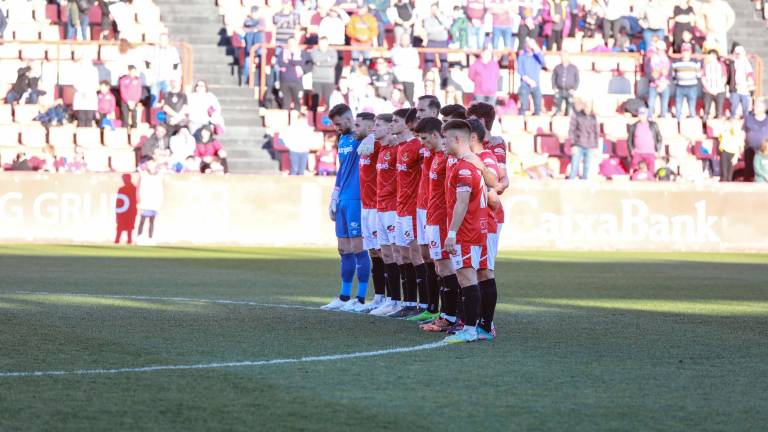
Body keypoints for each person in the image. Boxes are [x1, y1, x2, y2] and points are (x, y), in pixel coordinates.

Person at [442, 119, 490, 343]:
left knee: (467, 277)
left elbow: (461, 202)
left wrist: (451, 233)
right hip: (472, 229)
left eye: (446, 138)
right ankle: (472, 327)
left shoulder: (464, 168)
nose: (444, 143)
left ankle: (471, 329)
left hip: (467, 231)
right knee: (466, 277)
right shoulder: (468, 164)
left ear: (457, 139)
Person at [414, 117, 463, 333]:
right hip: (432, 217)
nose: (422, 143)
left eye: (425, 139)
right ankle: (447, 315)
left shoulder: (448, 158)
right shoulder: (433, 156)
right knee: (439, 267)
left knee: (446, 267)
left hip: (442, 218)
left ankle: (451, 316)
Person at [321, 104, 370, 311]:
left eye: (340, 124)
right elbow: (342, 170)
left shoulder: (362, 137)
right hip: (343, 199)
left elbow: (375, 130)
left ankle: (360, 299)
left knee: (358, 248)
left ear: (350, 119)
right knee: (343, 249)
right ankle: (343, 296)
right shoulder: (342, 139)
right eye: (335, 125)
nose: (337, 128)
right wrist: (334, 196)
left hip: (357, 199)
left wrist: (371, 137)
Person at [385, 108, 424, 318]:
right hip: (399, 209)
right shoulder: (401, 147)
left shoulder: (418, 146)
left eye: (395, 120)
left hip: (411, 208)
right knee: (401, 254)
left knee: (416, 254)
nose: (392, 124)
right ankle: (408, 303)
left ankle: (425, 304)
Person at [369, 113, 404, 316]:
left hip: (393, 207)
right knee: (385, 254)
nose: (374, 129)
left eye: (378, 125)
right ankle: (390, 299)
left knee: (398, 254)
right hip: (380, 208)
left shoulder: (397, 150)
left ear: (389, 128)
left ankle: (400, 300)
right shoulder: (381, 149)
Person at [354, 112, 385, 312]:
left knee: (384, 252)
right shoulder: (366, 143)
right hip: (366, 205)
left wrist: (373, 137)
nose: (355, 129)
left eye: (359, 125)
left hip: (377, 206)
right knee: (373, 252)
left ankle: (389, 297)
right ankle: (380, 296)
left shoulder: (377, 144)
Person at [143, 33, 181, 108]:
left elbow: (176, 64)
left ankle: (168, 117)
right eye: (161, 40)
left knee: (169, 99)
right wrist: (149, 73)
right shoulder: (153, 50)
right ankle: (153, 117)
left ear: (167, 41)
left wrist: (174, 75)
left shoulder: (172, 50)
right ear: (159, 40)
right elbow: (147, 62)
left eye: (165, 40)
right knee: (154, 99)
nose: (163, 41)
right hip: (155, 79)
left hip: (167, 79)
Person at [568, 98, 600, 180]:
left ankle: (584, 186)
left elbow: (596, 133)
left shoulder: (594, 118)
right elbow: (571, 131)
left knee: (587, 167)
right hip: (578, 145)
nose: (587, 108)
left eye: (589, 107)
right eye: (586, 106)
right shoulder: (577, 116)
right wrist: (573, 144)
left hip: (590, 146)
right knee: (574, 167)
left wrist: (596, 147)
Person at [136, 157, 164, 246]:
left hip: (154, 200)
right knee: (142, 219)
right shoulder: (143, 173)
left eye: (152, 163)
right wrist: (139, 199)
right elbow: (139, 169)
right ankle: (139, 237)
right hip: (145, 200)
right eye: (149, 163)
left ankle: (150, 237)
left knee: (152, 220)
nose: (150, 165)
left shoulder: (159, 174)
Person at [277, 37, 309, 112]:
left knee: (297, 102)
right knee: (285, 103)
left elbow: (301, 62)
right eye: (289, 43)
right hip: (285, 81)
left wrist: (289, 61)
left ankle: (295, 120)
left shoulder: (301, 53)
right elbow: (281, 63)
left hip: (297, 81)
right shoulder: (282, 52)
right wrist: (294, 62)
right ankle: (285, 121)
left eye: (293, 43)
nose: (291, 45)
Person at [628, 106, 663, 174]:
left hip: (650, 152)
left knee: (651, 171)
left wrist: (657, 150)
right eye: (640, 114)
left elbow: (659, 138)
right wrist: (632, 150)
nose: (642, 116)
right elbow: (630, 140)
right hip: (637, 153)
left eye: (643, 114)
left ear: (646, 115)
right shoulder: (634, 126)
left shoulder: (653, 125)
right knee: (634, 170)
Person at [420, 3, 451, 79]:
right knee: (429, 62)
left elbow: (448, 26)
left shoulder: (444, 18)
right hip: (431, 42)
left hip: (442, 42)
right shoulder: (427, 19)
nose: (433, 11)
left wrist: (439, 17)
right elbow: (428, 30)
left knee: (444, 63)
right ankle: (426, 79)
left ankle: (444, 81)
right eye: (432, 9)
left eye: (435, 9)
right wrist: (441, 29)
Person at [671, 44, 700, 120]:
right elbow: (673, 75)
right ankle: (678, 121)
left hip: (692, 87)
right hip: (680, 86)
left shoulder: (695, 63)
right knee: (678, 105)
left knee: (692, 105)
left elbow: (698, 75)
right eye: (684, 51)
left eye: (687, 51)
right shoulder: (676, 63)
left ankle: (692, 119)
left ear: (690, 52)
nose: (686, 53)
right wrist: (676, 82)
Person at [517, 39, 545, 116]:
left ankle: (536, 122)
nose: (528, 47)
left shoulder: (537, 56)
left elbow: (543, 62)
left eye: (530, 45)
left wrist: (535, 46)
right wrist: (529, 81)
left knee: (538, 106)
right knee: (524, 106)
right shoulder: (522, 56)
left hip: (536, 85)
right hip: (525, 84)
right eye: (527, 45)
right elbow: (520, 71)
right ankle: (521, 122)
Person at [742, 98, 768, 181]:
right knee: (749, 172)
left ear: (764, 108)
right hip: (750, 149)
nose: (754, 108)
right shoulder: (748, 118)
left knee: (763, 171)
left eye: (757, 106)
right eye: (754, 106)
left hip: (765, 151)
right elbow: (743, 132)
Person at [310, 37, 338, 111]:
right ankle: (313, 118)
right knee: (316, 101)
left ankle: (329, 119)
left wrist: (320, 63)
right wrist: (327, 60)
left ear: (327, 43)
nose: (322, 44)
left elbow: (333, 62)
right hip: (316, 79)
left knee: (328, 100)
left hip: (329, 80)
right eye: (321, 43)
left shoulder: (333, 52)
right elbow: (315, 60)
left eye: (324, 43)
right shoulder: (314, 51)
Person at [391, 34, 420, 105]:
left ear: (409, 40)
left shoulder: (413, 51)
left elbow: (416, 63)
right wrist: (407, 61)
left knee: (409, 100)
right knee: (397, 100)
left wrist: (403, 62)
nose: (404, 41)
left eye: (406, 39)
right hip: (398, 78)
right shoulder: (394, 50)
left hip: (409, 78)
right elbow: (396, 61)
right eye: (403, 39)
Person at [281, 111, 314, 175]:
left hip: (304, 151)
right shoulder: (292, 128)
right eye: (301, 119)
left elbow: (310, 139)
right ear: (298, 119)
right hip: (294, 151)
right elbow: (284, 137)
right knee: (294, 169)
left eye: (304, 119)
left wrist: (308, 147)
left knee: (302, 170)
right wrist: (289, 146)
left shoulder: (308, 129)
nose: (303, 121)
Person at [728, 45, 754, 120]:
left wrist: (749, 82)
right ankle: (733, 121)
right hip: (735, 88)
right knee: (734, 106)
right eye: (736, 53)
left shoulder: (746, 63)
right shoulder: (732, 63)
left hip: (745, 88)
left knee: (745, 107)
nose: (737, 55)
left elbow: (750, 74)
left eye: (739, 53)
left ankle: (746, 122)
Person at [646, 41, 671, 118]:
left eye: (662, 49)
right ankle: (649, 118)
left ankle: (663, 117)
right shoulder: (651, 60)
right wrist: (657, 82)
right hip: (654, 85)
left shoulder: (667, 60)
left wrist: (665, 82)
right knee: (651, 103)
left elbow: (670, 73)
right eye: (659, 49)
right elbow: (649, 73)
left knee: (664, 104)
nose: (661, 51)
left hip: (665, 85)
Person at [701, 50, 727, 122]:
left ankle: (718, 128)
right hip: (708, 91)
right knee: (706, 110)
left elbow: (724, 77)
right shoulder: (705, 65)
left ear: (715, 56)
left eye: (710, 55)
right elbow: (703, 78)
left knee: (719, 111)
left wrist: (717, 89)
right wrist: (709, 89)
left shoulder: (721, 65)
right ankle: (705, 126)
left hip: (719, 91)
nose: (709, 57)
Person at [73, 55, 99, 127]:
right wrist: (82, 91)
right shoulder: (78, 70)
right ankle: (81, 136)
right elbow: (75, 83)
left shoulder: (94, 70)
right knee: (81, 117)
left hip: (90, 96)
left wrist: (87, 92)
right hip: (80, 96)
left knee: (89, 118)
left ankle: (88, 136)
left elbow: (95, 83)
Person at [552, 51, 579, 115]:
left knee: (570, 109)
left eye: (564, 56)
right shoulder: (557, 67)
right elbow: (553, 78)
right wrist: (554, 87)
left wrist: (574, 89)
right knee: (557, 108)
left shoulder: (573, 68)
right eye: (561, 56)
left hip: (569, 91)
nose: (563, 58)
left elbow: (577, 79)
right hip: (559, 90)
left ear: (568, 57)